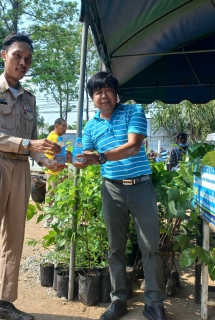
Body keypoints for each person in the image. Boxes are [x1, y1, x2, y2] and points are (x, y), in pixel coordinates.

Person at [0, 33, 64, 320]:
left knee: (15, 238)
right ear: (4, 55)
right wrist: (27, 146)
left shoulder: (29, 99)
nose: (23, 62)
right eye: (17, 56)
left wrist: (48, 162)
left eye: (28, 59)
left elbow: (33, 143)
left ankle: (3, 302)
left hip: (21, 168)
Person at [73, 72, 167, 320]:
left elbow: (134, 146)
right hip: (111, 188)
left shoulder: (133, 112)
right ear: (92, 98)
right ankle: (118, 300)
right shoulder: (91, 126)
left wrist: (100, 157)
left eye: (107, 90)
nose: (103, 95)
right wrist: (67, 160)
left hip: (141, 187)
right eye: (97, 92)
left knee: (150, 247)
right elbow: (84, 154)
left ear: (116, 93)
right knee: (115, 248)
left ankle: (154, 303)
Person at [43, 117, 67, 228]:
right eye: (63, 126)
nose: (65, 129)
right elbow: (53, 154)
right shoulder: (54, 137)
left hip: (55, 171)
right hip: (53, 172)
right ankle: (48, 219)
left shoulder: (56, 137)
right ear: (56, 126)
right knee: (52, 195)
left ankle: (52, 218)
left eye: (66, 126)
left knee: (54, 195)